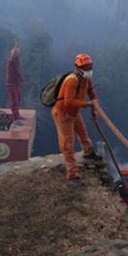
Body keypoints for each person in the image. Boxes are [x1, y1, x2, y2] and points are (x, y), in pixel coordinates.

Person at [52, 53, 103, 182]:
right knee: (67, 144)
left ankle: (88, 153)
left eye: (90, 66)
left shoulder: (86, 79)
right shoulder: (71, 80)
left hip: (74, 112)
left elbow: (92, 93)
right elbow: (68, 102)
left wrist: (95, 106)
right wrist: (87, 104)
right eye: (86, 67)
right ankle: (72, 174)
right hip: (63, 113)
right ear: (79, 68)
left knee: (83, 134)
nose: (89, 70)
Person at [5, 39, 25, 123]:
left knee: (18, 99)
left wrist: (16, 45)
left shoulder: (16, 61)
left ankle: (17, 116)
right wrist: (16, 46)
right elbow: (17, 72)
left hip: (15, 84)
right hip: (11, 85)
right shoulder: (11, 62)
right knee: (14, 101)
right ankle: (15, 119)